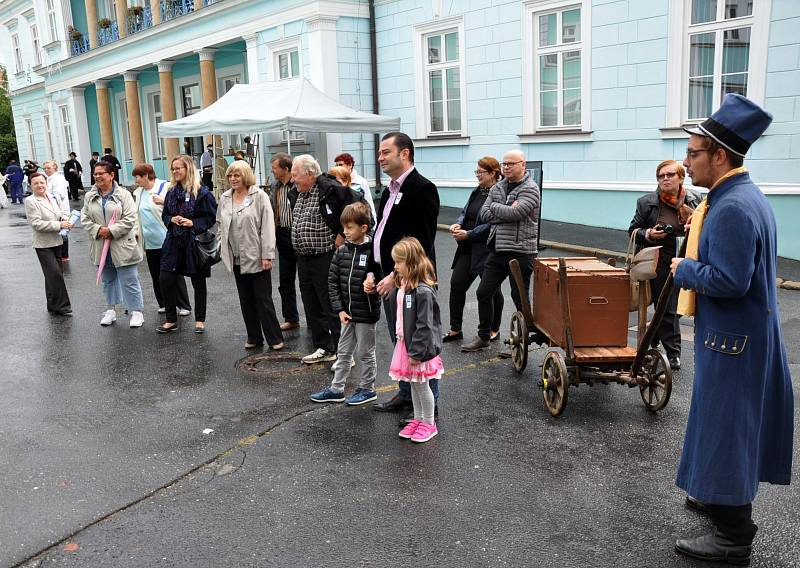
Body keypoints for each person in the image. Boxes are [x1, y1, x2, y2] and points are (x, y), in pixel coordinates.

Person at [670, 94, 794, 565]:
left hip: (734, 343)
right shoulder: (742, 196)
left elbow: (729, 280)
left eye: (694, 153)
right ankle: (714, 498)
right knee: (723, 427)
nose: (687, 162)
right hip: (740, 338)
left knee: (729, 433)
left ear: (720, 155)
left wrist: (684, 268)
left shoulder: (733, 208)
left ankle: (733, 536)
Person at [369, 132, 440, 423]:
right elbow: (382, 235)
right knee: (400, 340)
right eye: (380, 152)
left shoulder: (423, 189)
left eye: (386, 152)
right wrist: (374, 272)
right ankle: (406, 394)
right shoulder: (389, 191)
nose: (380, 157)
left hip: (411, 284)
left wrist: (394, 277)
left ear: (405, 154)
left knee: (419, 345)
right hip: (390, 280)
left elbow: (419, 244)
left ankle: (428, 410)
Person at [461, 150, 540, 352]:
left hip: (521, 251)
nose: (506, 167)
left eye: (511, 164)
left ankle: (527, 333)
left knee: (519, 296)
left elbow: (517, 213)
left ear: (523, 165)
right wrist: (504, 208)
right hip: (497, 249)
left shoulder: (531, 188)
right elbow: (484, 214)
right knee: (483, 292)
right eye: (504, 164)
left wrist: (499, 208)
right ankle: (484, 336)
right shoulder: (498, 187)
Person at [628, 160, 701, 370]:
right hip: (657, 258)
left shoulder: (695, 199)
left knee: (674, 307)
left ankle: (652, 339)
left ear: (681, 177)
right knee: (666, 305)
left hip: (685, 257)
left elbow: (704, 226)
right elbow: (633, 230)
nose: (665, 179)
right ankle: (673, 353)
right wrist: (649, 234)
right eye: (661, 176)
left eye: (670, 175)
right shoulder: (646, 202)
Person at [309, 202, 383, 406]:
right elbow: (332, 282)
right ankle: (336, 389)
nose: (345, 232)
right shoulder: (341, 252)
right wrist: (340, 309)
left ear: (364, 228)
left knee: (366, 353)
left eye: (349, 227)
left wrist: (373, 285)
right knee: (343, 352)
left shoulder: (374, 253)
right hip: (347, 315)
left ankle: (368, 389)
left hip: (366, 314)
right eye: (344, 227)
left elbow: (381, 279)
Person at [290, 154, 354, 363]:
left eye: (295, 175)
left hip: (325, 256)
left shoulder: (329, 188)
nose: (293, 180)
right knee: (311, 305)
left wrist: (343, 234)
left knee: (330, 305)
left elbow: (357, 206)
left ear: (309, 174)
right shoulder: (297, 192)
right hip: (304, 258)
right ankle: (323, 347)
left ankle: (343, 352)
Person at [217, 160, 284, 350]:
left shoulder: (259, 196)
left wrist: (267, 255)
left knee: (263, 299)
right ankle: (254, 337)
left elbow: (268, 227)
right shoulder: (225, 198)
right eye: (230, 175)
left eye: (236, 175)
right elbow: (220, 224)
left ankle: (275, 338)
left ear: (245, 175)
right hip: (236, 257)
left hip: (256, 256)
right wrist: (222, 245)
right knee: (245, 299)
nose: (232, 179)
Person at [444, 157, 504, 343]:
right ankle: (455, 329)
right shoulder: (477, 191)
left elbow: (491, 223)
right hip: (467, 248)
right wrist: (458, 224)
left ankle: (493, 329)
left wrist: (469, 234)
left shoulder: (500, 193)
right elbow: (465, 212)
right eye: (476, 172)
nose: (477, 175)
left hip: (486, 249)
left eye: (481, 172)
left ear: (493, 173)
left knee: (491, 291)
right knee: (457, 285)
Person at [389, 237, 443, 443]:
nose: (395, 267)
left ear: (411, 263)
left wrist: (417, 352)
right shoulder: (405, 285)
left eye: (398, 262)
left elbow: (425, 325)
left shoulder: (423, 291)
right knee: (413, 384)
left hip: (418, 348)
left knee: (421, 385)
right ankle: (419, 418)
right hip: (407, 344)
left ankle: (429, 423)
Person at [81, 161, 146, 328]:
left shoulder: (124, 195)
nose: (97, 176)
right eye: (95, 174)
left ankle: (136, 311)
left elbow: (130, 218)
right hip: (101, 245)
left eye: (101, 173)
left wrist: (111, 231)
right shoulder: (90, 196)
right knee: (108, 280)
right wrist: (98, 230)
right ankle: (111, 309)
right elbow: (85, 219)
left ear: (111, 175)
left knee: (129, 279)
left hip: (122, 244)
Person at [158, 155, 218, 334]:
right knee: (165, 278)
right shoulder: (171, 192)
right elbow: (165, 214)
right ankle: (171, 319)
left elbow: (211, 217)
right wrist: (172, 219)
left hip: (194, 242)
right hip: (174, 241)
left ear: (188, 169)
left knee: (198, 282)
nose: (175, 171)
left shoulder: (202, 192)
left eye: (178, 168)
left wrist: (193, 223)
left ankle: (200, 320)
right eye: (173, 168)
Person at [132, 163, 192, 317]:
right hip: (150, 241)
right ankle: (164, 303)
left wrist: (163, 201)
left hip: (167, 238)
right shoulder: (138, 193)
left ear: (146, 176)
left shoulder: (164, 187)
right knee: (156, 274)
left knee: (174, 272)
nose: (135, 181)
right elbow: (137, 215)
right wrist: (137, 232)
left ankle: (184, 304)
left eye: (137, 177)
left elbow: (179, 207)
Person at [23, 171, 72, 315]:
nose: (39, 185)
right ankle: (63, 307)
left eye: (42, 182)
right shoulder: (31, 201)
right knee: (55, 274)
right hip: (43, 244)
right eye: (36, 183)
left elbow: (61, 212)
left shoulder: (52, 196)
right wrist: (59, 225)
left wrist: (64, 218)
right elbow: (36, 224)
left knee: (53, 275)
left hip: (57, 241)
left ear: (46, 183)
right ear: (31, 186)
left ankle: (52, 305)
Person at [270, 152, 300, 331]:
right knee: (285, 280)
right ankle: (291, 318)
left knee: (307, 281)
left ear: (285, 169)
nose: (272, 170)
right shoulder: (275, 186)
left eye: (274, 167)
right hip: (281, 235)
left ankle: (316, 320)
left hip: (298, 234)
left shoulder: (297, 184)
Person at [43, 160, 72, 261]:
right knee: (57, 230)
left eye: (49, 168)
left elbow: (58, 195)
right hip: (53, 209)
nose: (46, 170)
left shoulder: (58, 179)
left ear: (55, 168)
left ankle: (63, 255)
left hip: (60, 209)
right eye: (45, 168)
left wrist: (46, 197)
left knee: (62, 231)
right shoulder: (49, 178)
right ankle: (60, 254)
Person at [333, 152, 376, 218]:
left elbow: (369, 203)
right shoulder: (335, 180)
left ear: (350, 165)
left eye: (340, 165)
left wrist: (373, 223)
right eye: (337, 165)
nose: (338, 167)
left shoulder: (361, 181)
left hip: (357, 218)